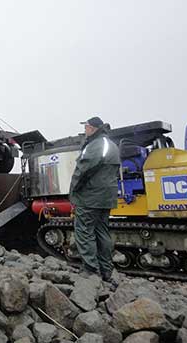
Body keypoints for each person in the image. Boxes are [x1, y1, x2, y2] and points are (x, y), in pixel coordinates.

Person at [69, 116, 120, 281]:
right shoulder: (111, 145)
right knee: (102, 232)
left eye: (86, 127)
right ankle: (106, 271)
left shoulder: (95, 145)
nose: (85, 130)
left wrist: (73, 192)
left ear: (91, 128)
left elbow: (82, 170)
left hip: (90, 197)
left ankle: (91, 271)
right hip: (106, 197)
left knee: (84, 231)